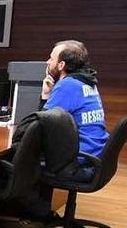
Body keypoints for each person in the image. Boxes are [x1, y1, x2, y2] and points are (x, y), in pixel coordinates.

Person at [41, 39, 109, 182]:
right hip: (95, 158)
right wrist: (50, 94)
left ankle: (34, 204)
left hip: (79, 162)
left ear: (61, 65)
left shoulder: (67, 85)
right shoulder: (87, 82)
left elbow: (40, 125)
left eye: (51, 58)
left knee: (22, 162)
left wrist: (44, 96)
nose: (47, 62)